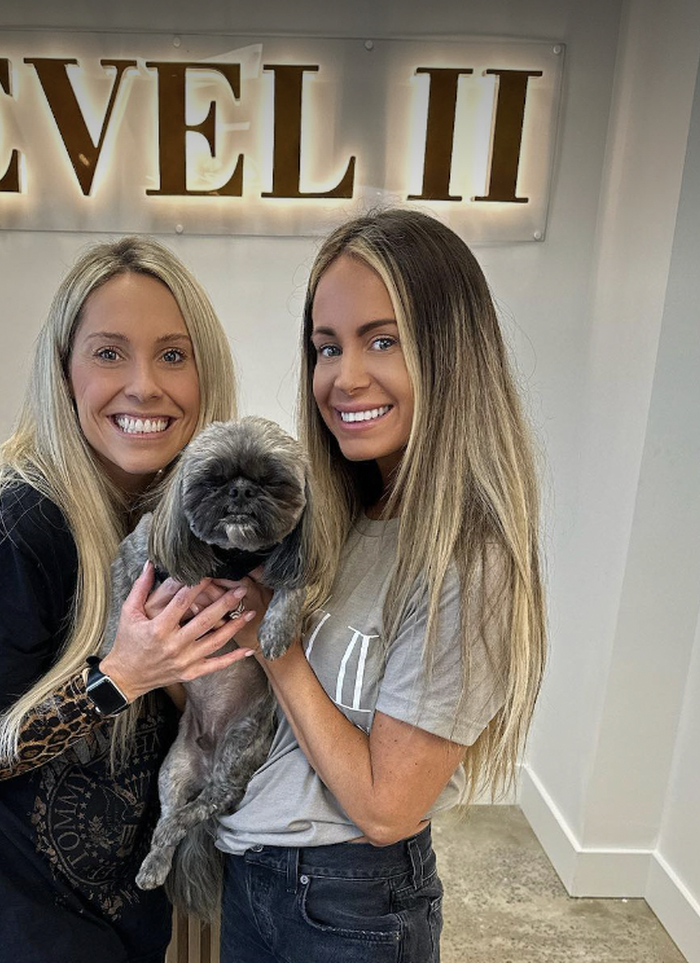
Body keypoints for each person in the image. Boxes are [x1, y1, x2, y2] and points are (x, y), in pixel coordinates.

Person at [0, 237, 260, 963]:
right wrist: (118, 676)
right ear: (63, 370)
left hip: (113, 920)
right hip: (15, 933)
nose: (144, 386)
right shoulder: (5, 527)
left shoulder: (163, 519)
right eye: (108, 353)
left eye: (172, 354)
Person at [216, 209, 548, 963]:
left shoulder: (470, 558)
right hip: (256, 870)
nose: (343, 376)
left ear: (448, 351)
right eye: (326, 346)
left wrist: (276, 644)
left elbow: (385, 808)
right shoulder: (345, 517)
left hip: (349, 899)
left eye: (382, 339)